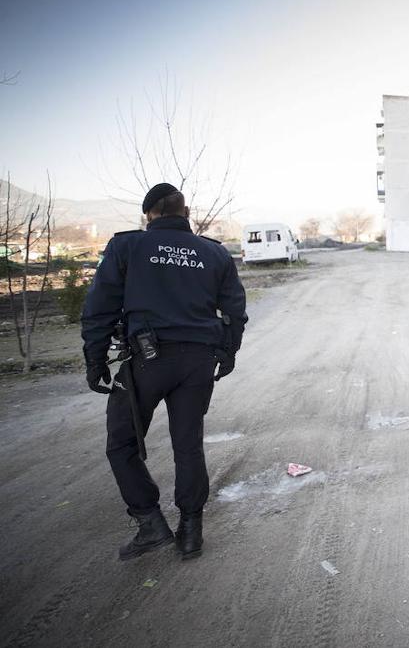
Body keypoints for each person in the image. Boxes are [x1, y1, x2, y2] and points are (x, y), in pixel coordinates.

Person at [81, 183, 247, 560]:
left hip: (146, 360)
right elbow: (235, 309)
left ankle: (150, 523)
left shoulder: (128, 246)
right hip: (198, 362)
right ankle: (191, 533)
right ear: (184, 213)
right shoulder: (213, 252)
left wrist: (95, 360)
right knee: (187, 444)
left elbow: (100, 307)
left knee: (122, 443)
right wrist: (228, 352)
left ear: (150, 214)